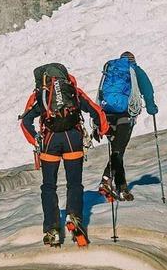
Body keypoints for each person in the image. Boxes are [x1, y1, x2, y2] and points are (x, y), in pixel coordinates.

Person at [20, 63, 108, 247]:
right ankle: (74, 216)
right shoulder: (73, 91)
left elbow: (25, 121)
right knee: (74, 183)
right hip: (73, 138)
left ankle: (52, 228)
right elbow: (95, 111)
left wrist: (36, 139)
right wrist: (102, 129)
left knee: (48, 186)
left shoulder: (41, 95)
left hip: (50, 140)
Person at [96, 51, 158, 201]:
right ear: (133, 60)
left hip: (107, 113)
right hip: (125, 114)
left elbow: (101, 91)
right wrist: (151, 108)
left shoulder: (111, 69)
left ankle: (121, 188)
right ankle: (106, 179)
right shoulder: (134, 69)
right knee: (119, 150)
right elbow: (147, 91)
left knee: (118, 150)